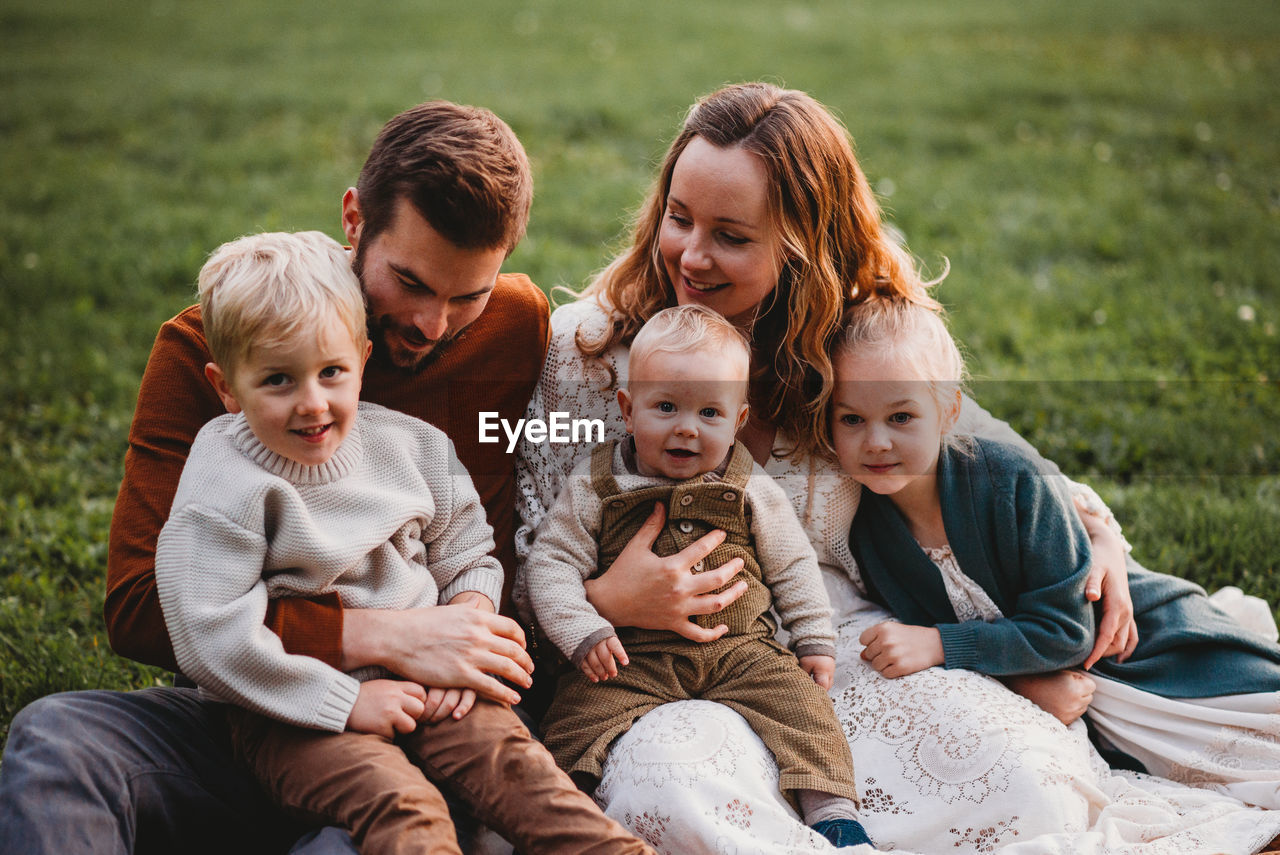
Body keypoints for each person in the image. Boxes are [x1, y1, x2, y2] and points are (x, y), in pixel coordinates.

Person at [516, 82, 1280, 853]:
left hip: (836, 648)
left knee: (1025, 782)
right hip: (644, 671)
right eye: (679, 218)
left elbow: (977, 451)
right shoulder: (590, 360)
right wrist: (610, 597)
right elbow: (520, 562)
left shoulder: (841, 345)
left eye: (732, 235)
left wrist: (1094, 531)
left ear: (800, 246)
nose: (691, 252)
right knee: (680, 798)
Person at [0, 100, 551, 855]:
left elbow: (501, 525)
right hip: (254, 712)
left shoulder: (515, 329)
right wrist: (379, 634)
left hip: (419, 736)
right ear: (355, 220)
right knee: (58, 737)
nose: (434, 323)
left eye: (468, 296)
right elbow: (137, 604)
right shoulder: (212, 349)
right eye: (412, 283)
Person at [147, 229, 656, 855]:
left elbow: (467, 547)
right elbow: (211, 632)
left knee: (524, 777)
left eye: (331, 372)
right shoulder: (227, 477)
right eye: (278, 380)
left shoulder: (410, 447)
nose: (312, 404)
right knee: (407, 809)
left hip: (434, 679)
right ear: (226, 387)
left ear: (361, 360)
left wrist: (466, 620)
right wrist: (345, 702)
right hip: (292, 710)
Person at [834, 296, 1280, 810]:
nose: (876, 442)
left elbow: (1068, 632)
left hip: (1138, 655)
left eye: (901, 416)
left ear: (949, 410)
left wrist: (940, 644)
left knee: (1257, 758)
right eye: (851, 420)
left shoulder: (1011, 480)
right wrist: (1023, 685)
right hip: (1075, 697)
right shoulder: (870, 530)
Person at [519, 305, 869, 849]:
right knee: (571, 725)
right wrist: (582, 631)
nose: (686, 427)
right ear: (627, 411)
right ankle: (560, 827)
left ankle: (835, 815)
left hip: (740, 651)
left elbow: (792, 565)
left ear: (738, 421)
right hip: (631, 657)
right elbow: (551, 565)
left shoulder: (752, 489)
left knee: (803, 707)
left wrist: (814, 639)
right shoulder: (596, 483)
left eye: (710, 412)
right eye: (666, 407)